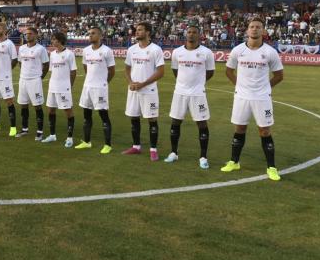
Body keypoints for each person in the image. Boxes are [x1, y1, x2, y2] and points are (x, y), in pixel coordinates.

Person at [222, 17, 284, 181]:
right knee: (240, 128)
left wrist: (265, 88)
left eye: (258, 27)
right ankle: (234, 162)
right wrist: (239, 86)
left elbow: (279, 76)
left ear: (263, 31)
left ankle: (271, 167)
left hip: (262, 97)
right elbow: (228, 71)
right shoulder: (237, 50)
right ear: (247, 30)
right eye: (252, 26)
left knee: (264, 130)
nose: (254, 29)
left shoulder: (270, 52)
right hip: (242, 97)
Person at [165, 25, 215, 169]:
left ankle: (203, 157)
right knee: (175, 121)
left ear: (199, 35)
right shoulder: (177, 52)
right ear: (185, 34)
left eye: (194, 32)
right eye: (189, 32)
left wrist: (198, 83)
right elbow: (175, 70)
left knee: (202, 123)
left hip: (198, 94)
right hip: (180, 92)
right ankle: (174, 153)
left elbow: (210, 72)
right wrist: (183, 84)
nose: (191, 34)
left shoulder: (206, 52)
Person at [122, 22, 165, 161]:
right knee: (134, 117)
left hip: (149, 90)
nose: (136, 32)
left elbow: (160, 72)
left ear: (148, 32)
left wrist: (143, 84)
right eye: (136, 30)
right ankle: (136, 147)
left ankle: (153, 149)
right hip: (134, 90)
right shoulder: (131, 49)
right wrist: (130, 82)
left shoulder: (156, 49)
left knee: (152, 119)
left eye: (140, 30)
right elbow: (127, 68)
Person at [74, 27, 116, 153]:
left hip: (100, 88)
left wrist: (103, 82)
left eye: (93, 33)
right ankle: (87, 142)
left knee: (103, 116)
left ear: (100, 35)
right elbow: (86, 67)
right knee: (86, 115)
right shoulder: (86, 50)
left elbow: (112, 71)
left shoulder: (107, 51)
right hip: (87, 87)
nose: (90, 36)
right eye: (89, 34)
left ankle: (107, 145)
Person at [41, 32, 77, 148]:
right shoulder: (52, 54)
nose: (52, 41)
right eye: (52, 39)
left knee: (68, 111)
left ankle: (70, 138)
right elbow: (52, 70)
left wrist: (69, 86)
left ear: (60, 40)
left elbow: (73, 71)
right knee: (51, 110)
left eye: (54, 39)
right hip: (53, 86)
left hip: (64, 87)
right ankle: (52, 135)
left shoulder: (69, 54)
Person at [15, 27, 49, 140]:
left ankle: (40, 131)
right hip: (23, 79)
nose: (27, 36)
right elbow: (20, 62)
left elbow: (46, 65)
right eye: (26, 34)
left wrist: (39, 77)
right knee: (23, 104)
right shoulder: (22, 48)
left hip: (35, 81)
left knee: (37, 105)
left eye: (30, 34)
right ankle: (24, 129)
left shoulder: (41, 49)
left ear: (36, 35)